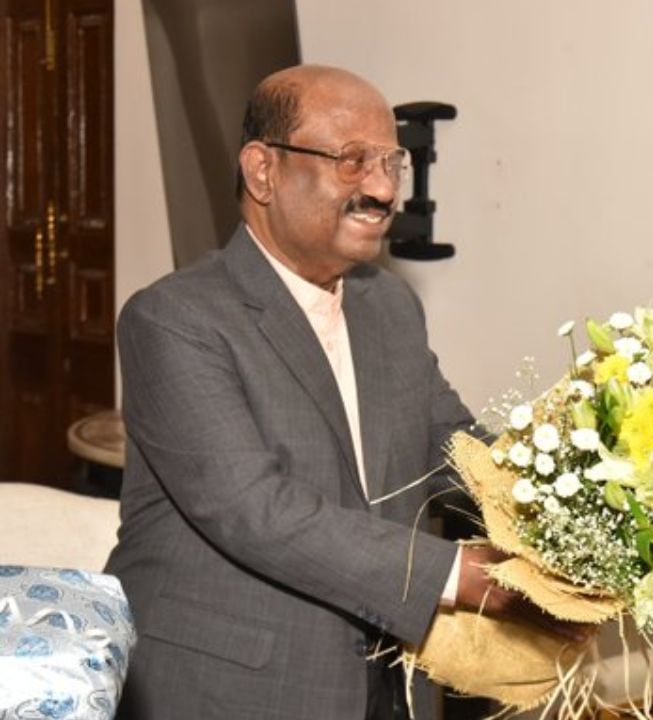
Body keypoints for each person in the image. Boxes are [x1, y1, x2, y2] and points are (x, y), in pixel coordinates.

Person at [106, 65, 581, 720]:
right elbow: (253, 510)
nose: (383, 189)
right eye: (353, 161)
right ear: (262, 171)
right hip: (226, 690)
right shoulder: (174, 319)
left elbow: (451, 447)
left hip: (382, 686)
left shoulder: (389, 305)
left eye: (392, 163)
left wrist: (587, 504)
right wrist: (468, 579)